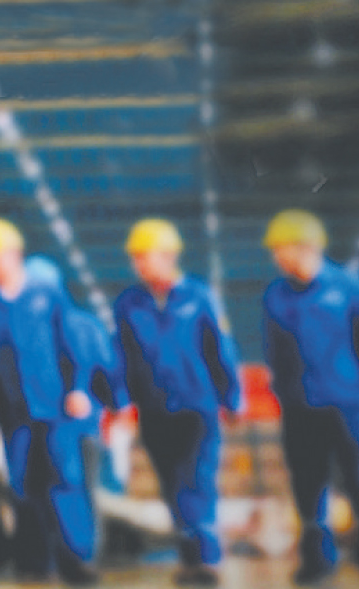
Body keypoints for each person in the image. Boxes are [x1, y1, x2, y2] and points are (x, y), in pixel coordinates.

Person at [260, 209, 359, 588]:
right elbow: (275, 351)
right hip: (300, 405)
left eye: (280, 249)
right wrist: (281, 392)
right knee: (308, 482)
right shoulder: (275, 296)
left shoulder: (348, 287)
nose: (276, 257)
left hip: (349, 401)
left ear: (306, 247)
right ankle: (317, 561)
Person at [0, 219, 103, 586]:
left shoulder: (47, 295)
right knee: (24, 486)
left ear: (14, 254)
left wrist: (78, 388)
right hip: (13, 413)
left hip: (56, 410)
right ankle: (37, 564)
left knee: (64, 481)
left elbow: (71, 347)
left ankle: (77, 560)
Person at [112, 218, 241, 588]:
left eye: (145, 256)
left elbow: (220, 347)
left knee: (196, 480)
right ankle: (191, 559)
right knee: (170, 483)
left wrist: (231, 396)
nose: (138, 264)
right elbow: (121, 355)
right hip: (153, 409)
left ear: (169, 256)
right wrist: (120, 400)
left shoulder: (199, 297)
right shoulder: (128, 304)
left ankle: (208, 558)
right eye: (135, 257)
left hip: (197, 405)